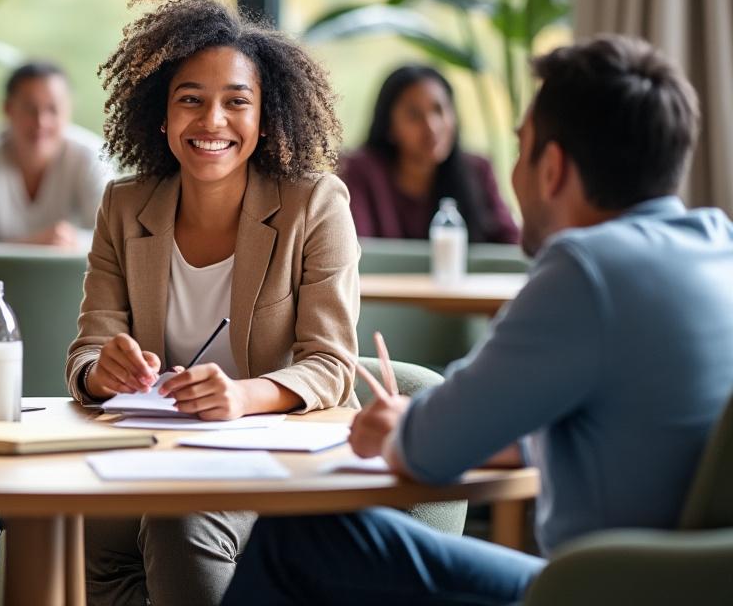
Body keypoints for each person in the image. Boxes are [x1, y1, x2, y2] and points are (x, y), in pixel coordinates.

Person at [223, 35, 733, 606]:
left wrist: (401, 424)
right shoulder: (719, 249)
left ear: (553, 167)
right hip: (689, 587)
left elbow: (430, 449)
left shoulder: (587, 270)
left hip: (594, 590)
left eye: (522, 148)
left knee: (299, 534)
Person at [65, 0, 360, 606]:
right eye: (190, 101)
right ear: (162, 116)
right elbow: (88, 349)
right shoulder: (124, 206)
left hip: (275, 462)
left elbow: (331, 364)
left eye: (236, 102)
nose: (212, 121)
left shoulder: (315, 205)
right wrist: (102, 374)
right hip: (149, 454)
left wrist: (241, 396)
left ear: (266, 117)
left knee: (180, 517)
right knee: (68, 520)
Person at [341, 65, 519, 243]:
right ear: (389, 126)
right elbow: (353, 249)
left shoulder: (478, 171)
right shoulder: (361, 171)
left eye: (439, 110)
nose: (431, 127)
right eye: (414, 115)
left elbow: (511, 246)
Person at [0, 61, 112, 248]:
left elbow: (113, 238)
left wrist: (73, 240)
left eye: (52, 109)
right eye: (30, 109)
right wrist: (38, 244)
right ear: (7, 109)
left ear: (68, 110)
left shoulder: (92, 156)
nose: (41, 122)